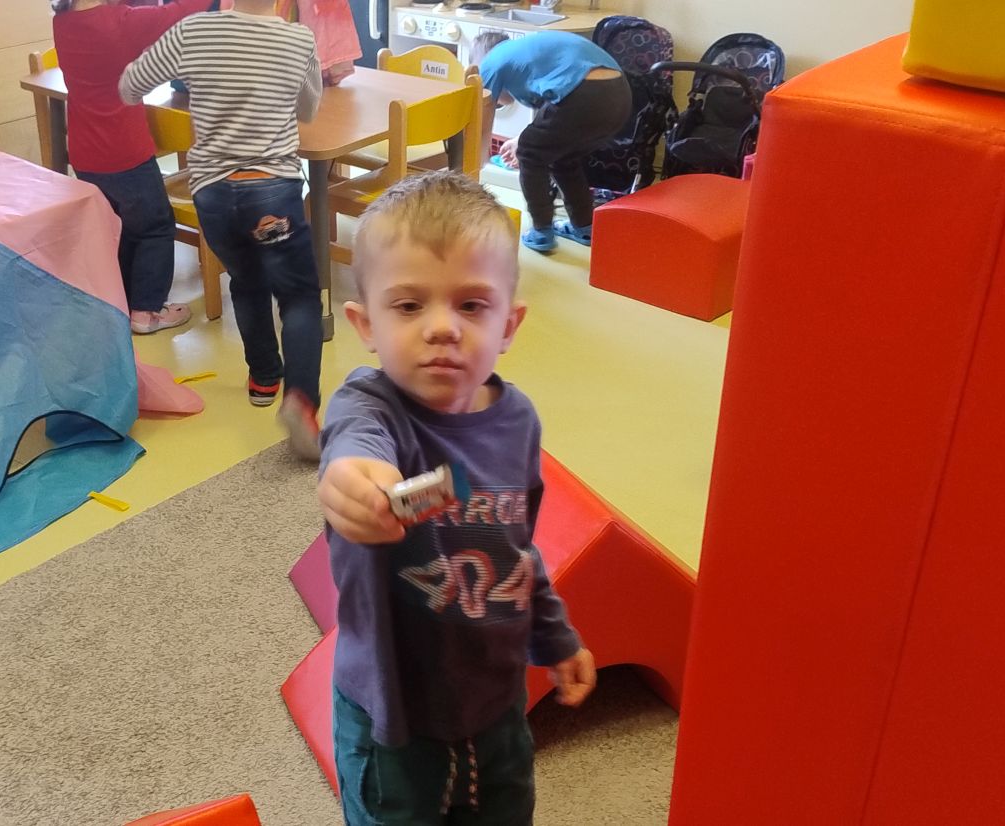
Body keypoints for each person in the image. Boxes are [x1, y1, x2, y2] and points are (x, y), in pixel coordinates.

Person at [317, 171, 597, 824]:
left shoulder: (518, 421)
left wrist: (554, 637)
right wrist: (354, 478)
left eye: (471, 305)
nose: (442, 328)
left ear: (509, 324)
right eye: (409, 306)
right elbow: (354, 448)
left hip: (496, 705)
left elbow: (517, 550)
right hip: (394, 723)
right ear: (365, 322)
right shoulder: (368, 408)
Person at [118, 0, 325, 457]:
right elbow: (308, 109)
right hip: (272, 191)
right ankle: (301, 400)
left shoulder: (194, 31)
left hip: (213, 193)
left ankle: (264, 378)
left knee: (246, 281)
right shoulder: (298, 38)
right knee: (299, 297)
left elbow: (131, 86)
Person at [53, 0, 204, 335]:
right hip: (123, 153)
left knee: (123, 227)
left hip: (86, 152)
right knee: (155, 227)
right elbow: (178, 12)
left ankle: (124, 300)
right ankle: (147, 311)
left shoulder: (63, 20)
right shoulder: (118, 24)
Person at [473, 30, 629, 253]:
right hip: (619, 96)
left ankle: (541, 231)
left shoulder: (489, 63)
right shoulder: (526, 55)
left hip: (583, 92)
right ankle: (584, 226)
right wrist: (521, 138)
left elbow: (481, 124)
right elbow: (552, 119)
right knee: (564, 159)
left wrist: (477, 164)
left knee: (529, 154)